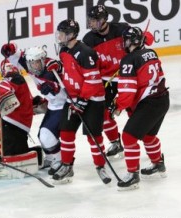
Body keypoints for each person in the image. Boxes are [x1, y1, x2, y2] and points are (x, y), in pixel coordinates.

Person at [51, 19, 111, 184]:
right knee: (66, 132)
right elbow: (69, 71)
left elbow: (92, 80)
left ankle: (100, 166)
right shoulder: (63, 50)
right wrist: (57, 66)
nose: (60, 36)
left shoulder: (86, 52)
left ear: (71, 35)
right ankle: (67, 165)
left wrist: (83, 100)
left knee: (94, 136)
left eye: (62, 33)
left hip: (92, 100)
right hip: (73, 99)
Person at [109, 26, 170, 190]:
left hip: (150, 103)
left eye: (126, 40)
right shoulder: (151, 53)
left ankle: (132, 175)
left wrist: (117, 105)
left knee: (129, 137)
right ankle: (158, 164)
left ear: (131, 41)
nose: (124, 43)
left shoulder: (129, 60)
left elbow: (128, 91)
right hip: (162, 100)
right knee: (148, 135)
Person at [0, 43, 66, 175]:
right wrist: (10, 49)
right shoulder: (29, 63)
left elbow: (62, 69)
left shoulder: (50, 69)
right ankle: (50, 157)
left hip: (64, 104)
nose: (35, 66)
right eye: (32, 63)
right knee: (42, 134)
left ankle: (61, 161)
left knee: (47, 136)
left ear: (43, 60)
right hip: (53, 105)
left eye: (38, 63)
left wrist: (55, 87)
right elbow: (17, 57)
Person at [82, 5, 130, 159]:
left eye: (95, 20)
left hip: (128, 78)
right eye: (90, 20)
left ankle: (143, 139)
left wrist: (144, 38)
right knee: (104, 114)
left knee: (134, 111)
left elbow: (137, 44)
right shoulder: (88, 39)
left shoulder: (122, 29)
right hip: (106, 81)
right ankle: (116, 142)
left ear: (104, 20)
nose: (92, 23)